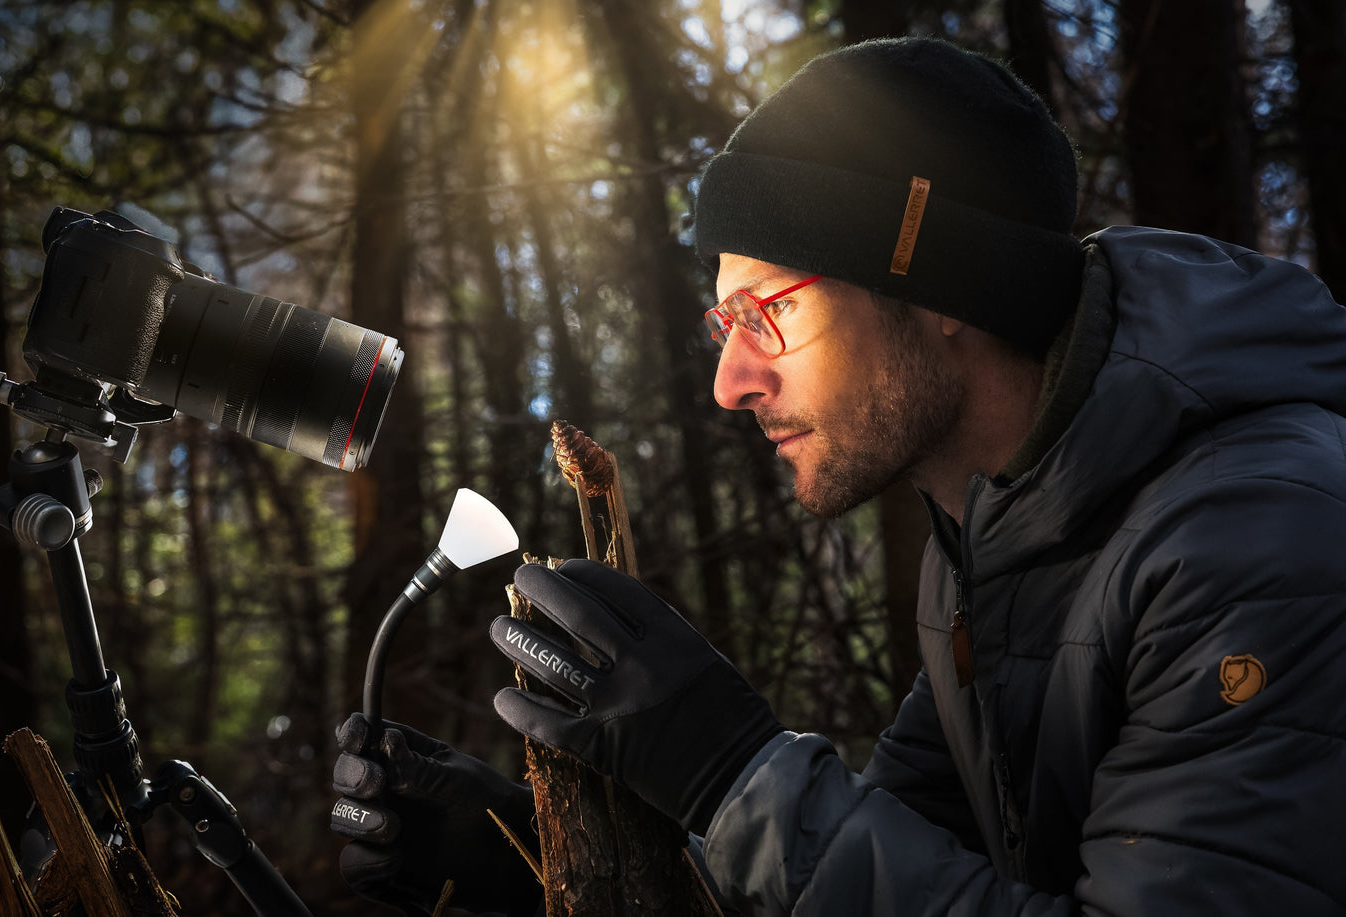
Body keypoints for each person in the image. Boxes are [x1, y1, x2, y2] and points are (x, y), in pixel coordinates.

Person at [330, 36, 1346, 916]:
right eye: (723, 323)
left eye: (771, 308)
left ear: (944, 282)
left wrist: (735, 771)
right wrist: (527, 859)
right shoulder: (997, 541)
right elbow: (875, 870)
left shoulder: (1255, 539)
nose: (731, 380)